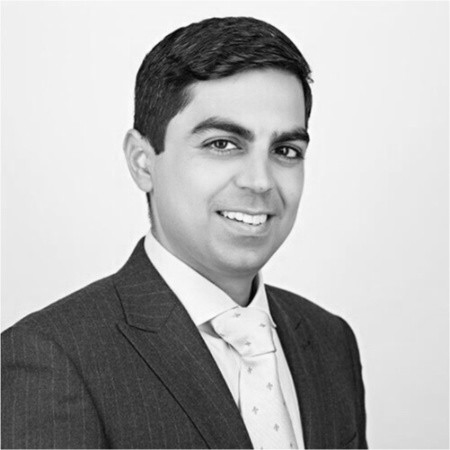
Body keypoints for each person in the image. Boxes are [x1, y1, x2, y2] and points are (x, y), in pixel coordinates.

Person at [1, 16, 367, 449]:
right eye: (222, 144)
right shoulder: (52, 357)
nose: (260, 181)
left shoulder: (330, 340)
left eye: (285, 150)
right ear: (142, 161)